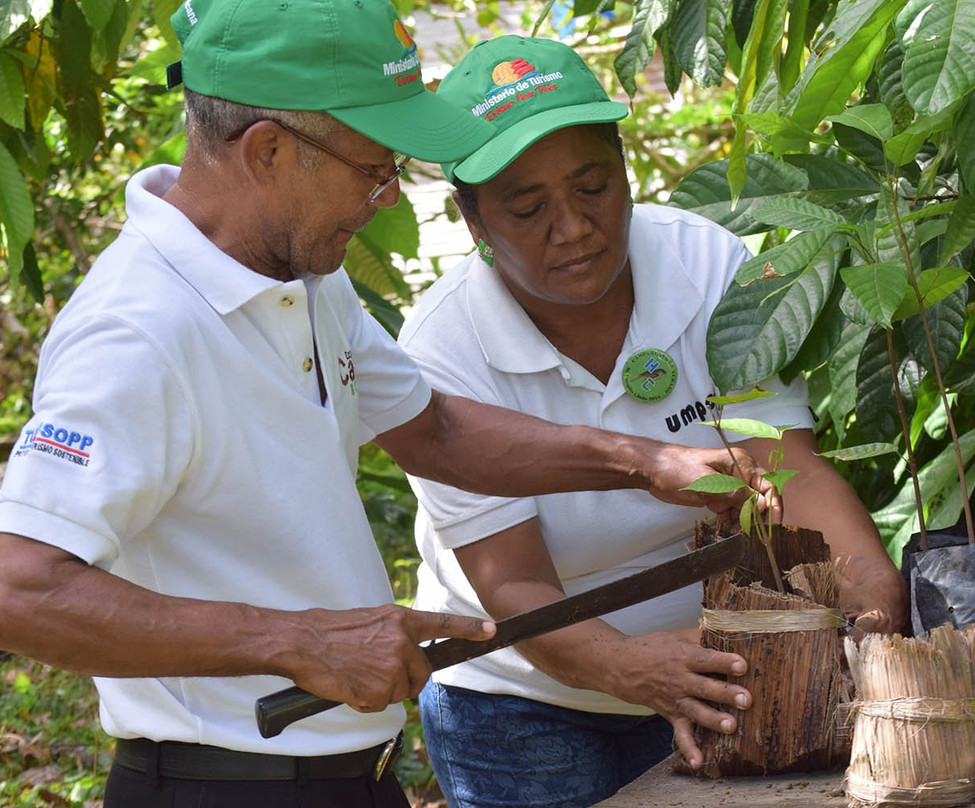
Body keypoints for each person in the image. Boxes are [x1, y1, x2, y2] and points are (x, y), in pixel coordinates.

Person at [0, 5, 781, 808]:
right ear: (270, 151)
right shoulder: (138, 331)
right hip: (224, 781)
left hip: (350, 773)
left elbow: (435, 430)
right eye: (374, 167)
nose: (386, 197)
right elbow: (17, 587)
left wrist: (640, 461)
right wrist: (295, 641)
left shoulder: (303, 276)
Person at [397, 34, 911, 808]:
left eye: (594, 186)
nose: (572, 228)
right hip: (516, 708)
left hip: (725, 675)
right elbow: (515, 580)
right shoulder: (441, 349)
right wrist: (630, 669)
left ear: (627, 170)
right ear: (472, 222)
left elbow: (788, 474)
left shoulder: (709, 267)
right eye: (528, 208)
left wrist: (871, 608)